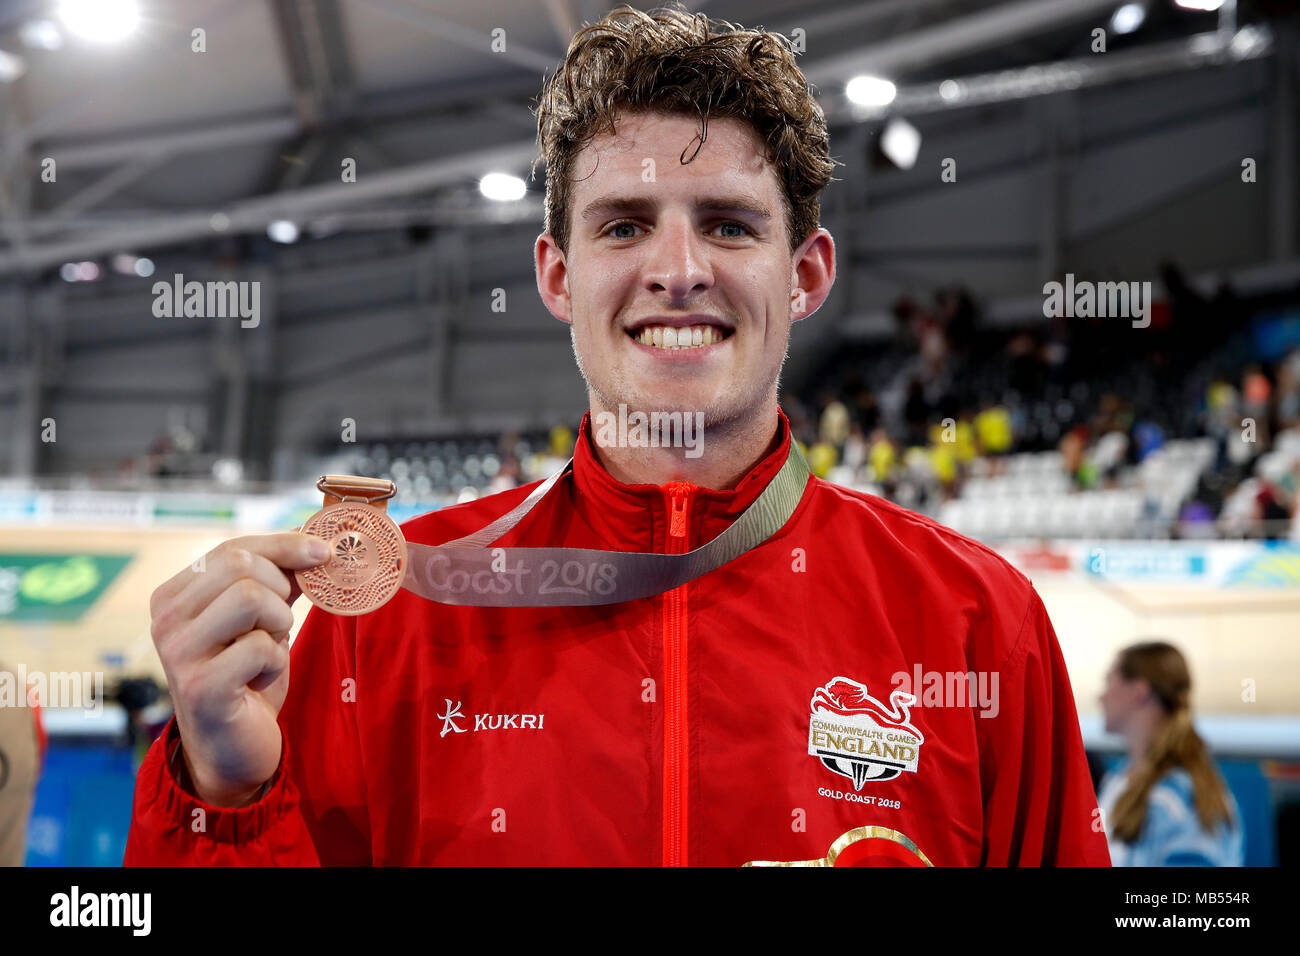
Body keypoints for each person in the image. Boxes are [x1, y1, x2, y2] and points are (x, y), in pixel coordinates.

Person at [124, 3, 1108, 866]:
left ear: (804, 275)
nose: (677, 268)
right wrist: (222, 802)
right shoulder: (383, 623)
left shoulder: (981, 627)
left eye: (727, 225)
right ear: (557, 275)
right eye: (624, 225)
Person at [1097, 641, 1243, 866]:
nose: (1101, 697)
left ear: (1138, 692)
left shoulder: (1181, 796)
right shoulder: (1118, 779)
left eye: (1109, 682)